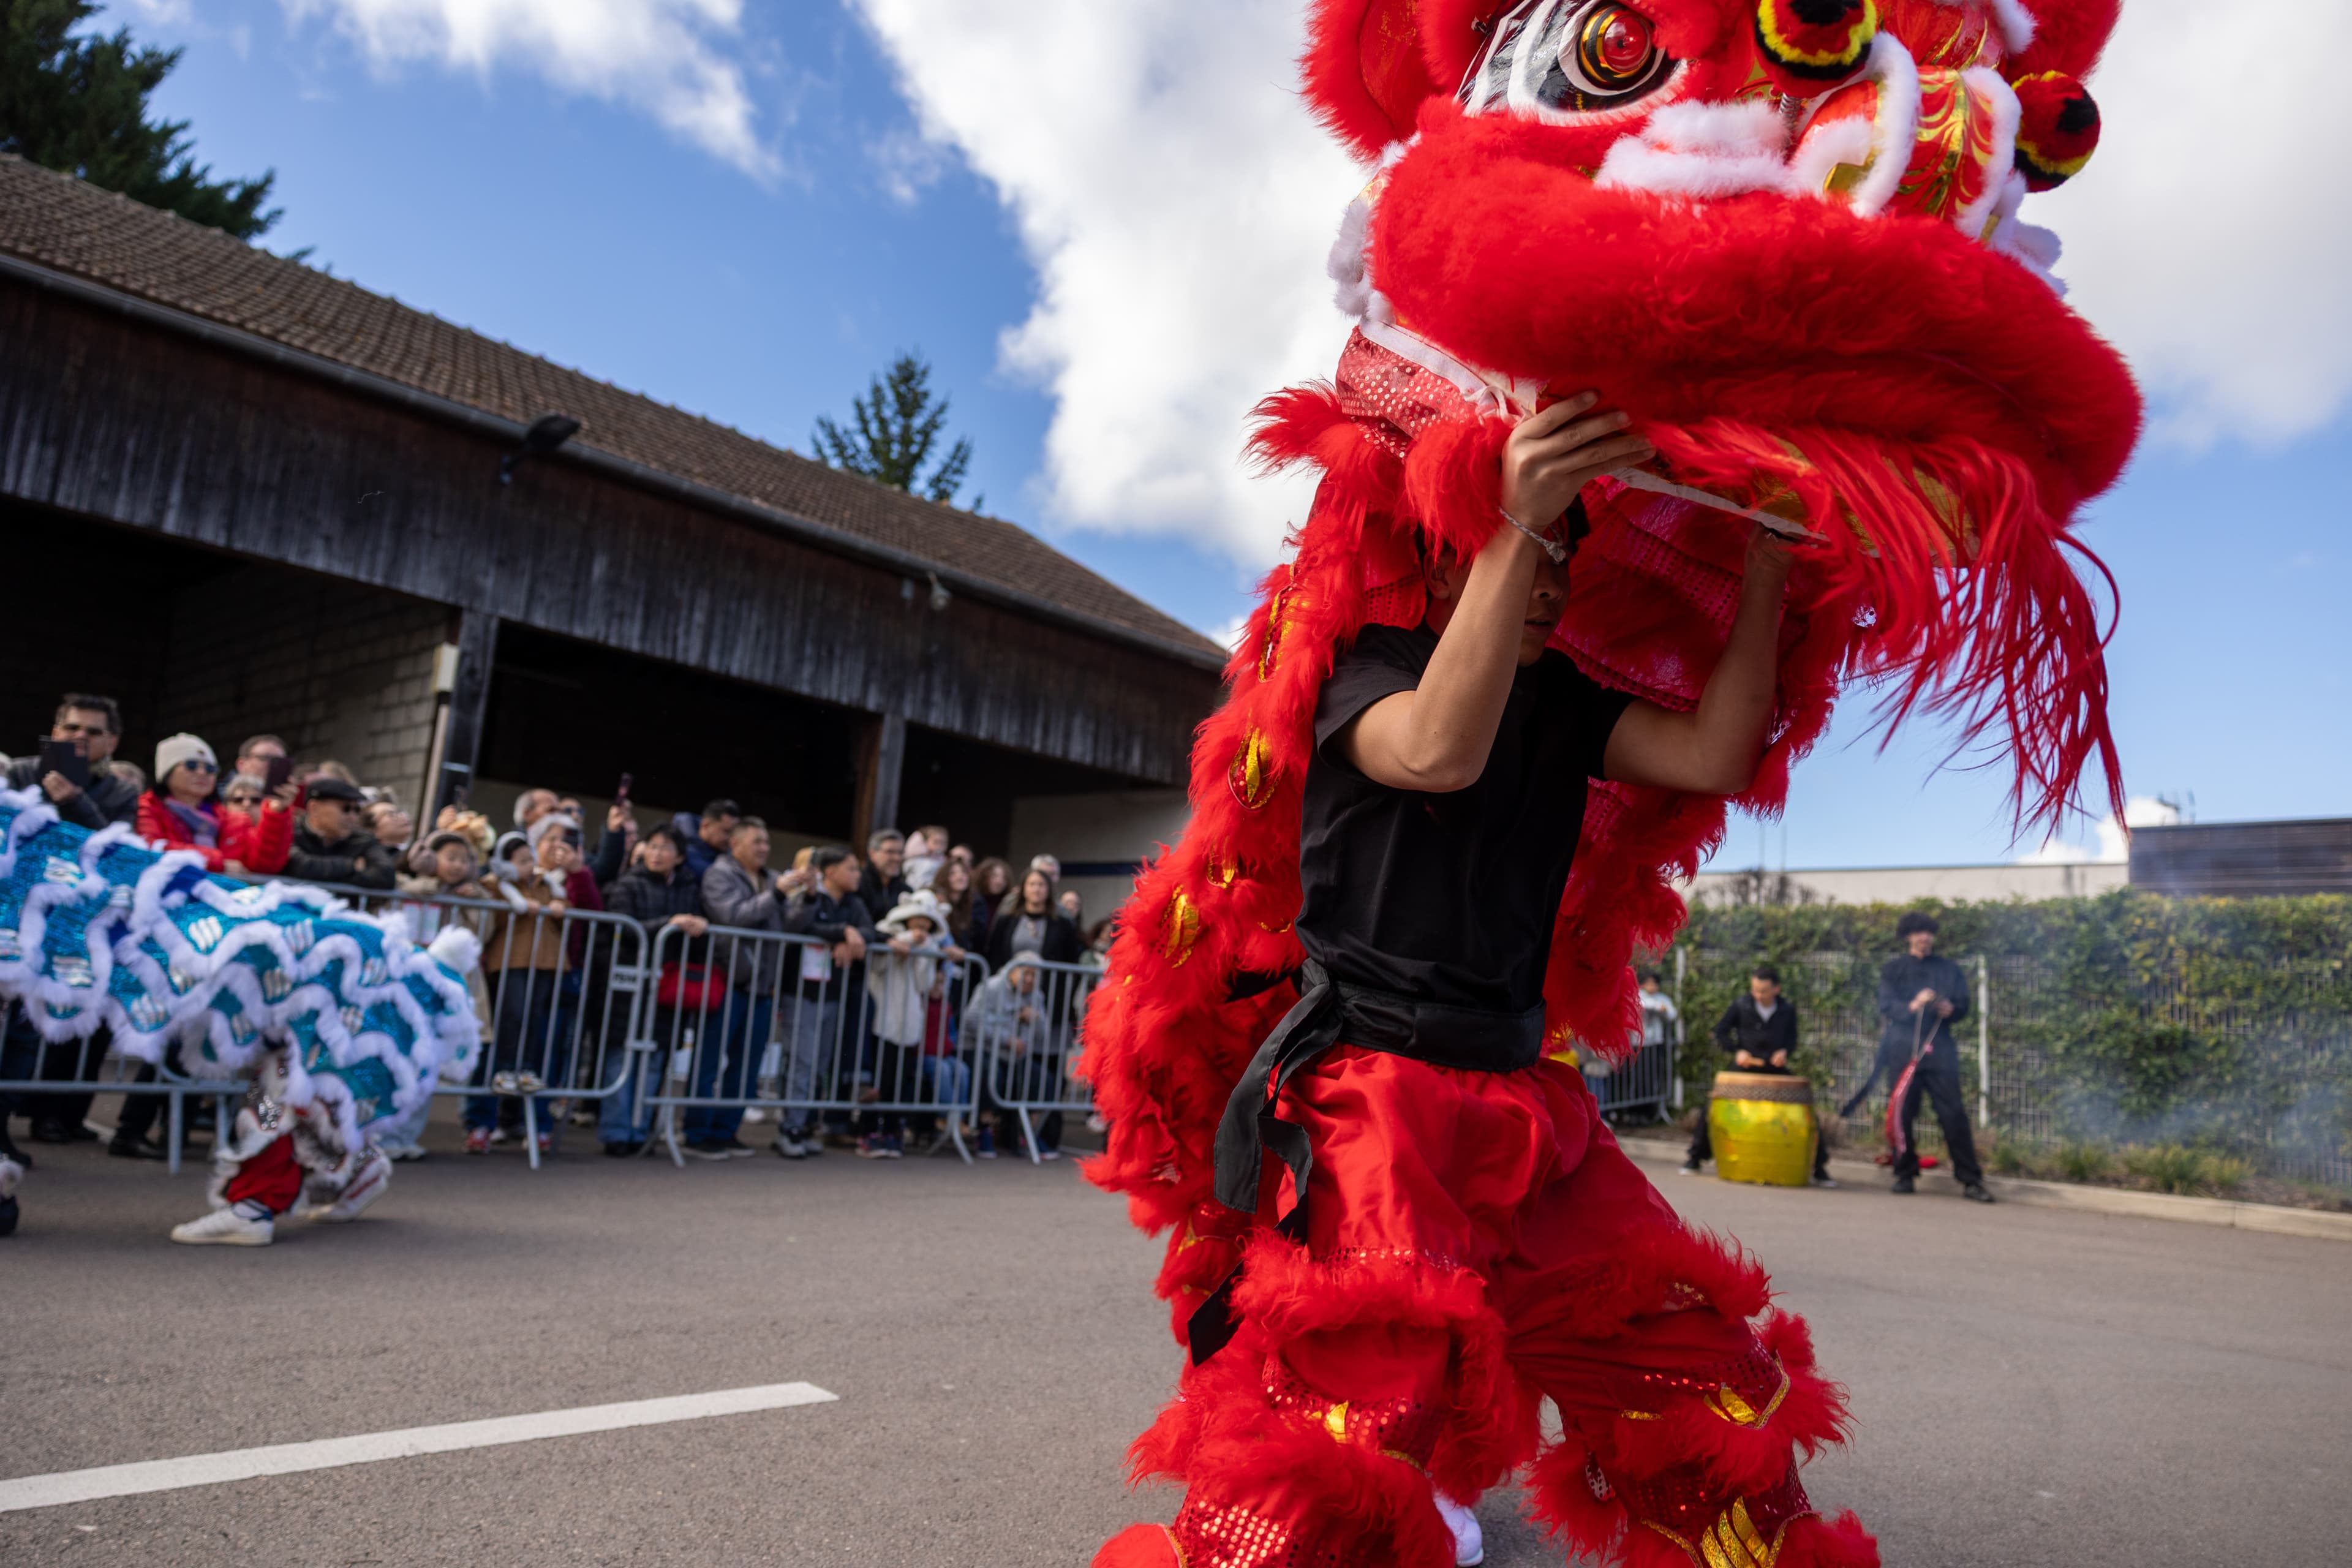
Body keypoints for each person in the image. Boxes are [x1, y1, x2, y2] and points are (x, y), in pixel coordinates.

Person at [1096, 398, 1877, 1567]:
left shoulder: (1560, 702)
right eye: (1529, 544)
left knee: (1690, 1351)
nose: (1556, 571)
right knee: (1361, 1423)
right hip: (1376, 1102)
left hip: (1526, 1097)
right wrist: (1517, 517)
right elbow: (1437, 754)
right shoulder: (1363, 672)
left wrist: (1766, 568)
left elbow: (1716, 752)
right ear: (1447, 548)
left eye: (1566, 549)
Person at [596, 824, 709, 1156]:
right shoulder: (627, 884)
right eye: (653, 846)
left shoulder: (690, 890)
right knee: (621, 1056)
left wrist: (699, 927)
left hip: (667, 985)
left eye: (665, 848)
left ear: (680, 857)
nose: (657, 853)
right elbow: (623, 927)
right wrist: (669, 924)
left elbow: (698, 929)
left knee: (657, 1058)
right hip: (628, 984)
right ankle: (617, 1132)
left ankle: (641, 1130)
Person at [690, 817, 797, 1158]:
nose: (765, 848)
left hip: (763, 986)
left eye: (767, 842)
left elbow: (790, 925)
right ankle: (697, 1132)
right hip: (729, 981)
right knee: (709, 1060)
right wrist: (777, 894)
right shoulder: (720, 874)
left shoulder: (771, 878)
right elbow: (733, 916)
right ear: (735, 845)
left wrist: (805, 899)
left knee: (748, 1064)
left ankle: (726, 1130)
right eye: (757, 842)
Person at [467, 830, 573, 1156]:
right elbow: (487, 922)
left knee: (540, 1035)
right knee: (505, 1027)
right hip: (508, 963)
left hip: (548, 966)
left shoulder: (548, 885)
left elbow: (573, 914)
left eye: (531, 859)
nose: (529, 866)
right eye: (521, 861)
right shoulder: (493, 886)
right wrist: (511, 903)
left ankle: (538, 1124)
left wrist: (558, 906)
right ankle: (481, 1121)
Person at [1681, 965, 1833, 1187]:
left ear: (1776, 990)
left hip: (1774, 1068)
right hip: (1745, 1068)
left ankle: (1819, 1168)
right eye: (1755, 990)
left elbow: (1792, 1039)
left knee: (1806, 1110)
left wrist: (1785, 1052)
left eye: (1763, 991)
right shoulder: (1741, 1005)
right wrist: (1737, 1051)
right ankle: (1694, 1158)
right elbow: (1721, 1031)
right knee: (1711, 1108)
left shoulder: (1787, 1010)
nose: (1758, 995)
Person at [1875, 913, 1992, 1203]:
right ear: (1908, 937)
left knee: (1953, 1115)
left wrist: (1952, 1009)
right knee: (1903, 1115)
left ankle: (1971, 1180)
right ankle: (1904, 1174)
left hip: (1940, 1051)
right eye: (1918, 932)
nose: (1924, 937)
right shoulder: (1893, 969)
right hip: (1903, 1050)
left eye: (1928, 932)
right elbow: (1887, 1006)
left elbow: (1964, 1006)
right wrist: (1914, 1005)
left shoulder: (1949, 969)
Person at [772, 845, 873, 1159]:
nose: (858, 875)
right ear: (831, 872)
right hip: (801, 993)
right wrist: (841, 933)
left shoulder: (854, 903)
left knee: (819, 1064)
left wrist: (853, 934)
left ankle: (804, 1126)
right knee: (801, 1060)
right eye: (852, 869)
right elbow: (800, 926)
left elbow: (873, 932)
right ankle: (790, 1127)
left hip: (833, 994)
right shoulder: (809, 896)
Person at [861, 889, 960, 1158]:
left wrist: (921, 954)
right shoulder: (886, 932)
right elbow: (876, 967)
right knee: (879, 1079)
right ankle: (869, 1132)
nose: (921, 926)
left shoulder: (929, 945)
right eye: (918, 919)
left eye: (927, 921)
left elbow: (924, 984)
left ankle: (893, 1132)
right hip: (882, 1017)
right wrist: (901, 945)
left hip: (909, 1020)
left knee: (899, 1079)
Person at [134, 733, 295, 876]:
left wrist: (276, 812)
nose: (202, 773)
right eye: (192, 765)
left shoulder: (230, 819)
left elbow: (264, 866)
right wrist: (218, 863)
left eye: (210, 769)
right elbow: (149, 849)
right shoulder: (147, 808)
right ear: (167, 772)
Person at [6, 693, 139, 831]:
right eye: (72, 728)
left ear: (112, 743)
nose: (81, 736)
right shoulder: (20, 771)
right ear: (55, 733)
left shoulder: (123, 794)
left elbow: (118, 848)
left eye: (94, 732)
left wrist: (76, 803)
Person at [963, 956, 1054, 1159]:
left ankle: (1027, 1133)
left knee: (1043, 1081)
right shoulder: (992, 987)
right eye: (1026, 972)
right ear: (1012, 970)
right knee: (990, 1073)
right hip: (983, 1050)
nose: (1030, 979)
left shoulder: (1036, 996)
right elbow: (972, 1020)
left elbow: (1044, 1034)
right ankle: (985, 1130)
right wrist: (1006, 1040)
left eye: (1034, 975)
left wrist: (1035, 1020)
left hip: (1016, 1058)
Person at [283, 777, 398, 889]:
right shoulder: (290, 831)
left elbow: (385, 876)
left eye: (357, 810)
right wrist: (351, 866)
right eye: (346, 809)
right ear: (314, 808)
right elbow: (296, 866)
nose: (353, 817)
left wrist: (320, 873)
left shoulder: (363, 839)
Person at [984, 867, 1083, 970]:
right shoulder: (1006, 921)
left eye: (1041, 885)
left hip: (1048, 984)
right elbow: (994, 954)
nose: (1036, 889)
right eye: (1032, 884)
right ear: (1023, 890)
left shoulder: (1063, 925)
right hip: (1008, 982)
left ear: (1049, 890)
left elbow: (1071, 960)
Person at [673, 798, 740, 880]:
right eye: (726, 832)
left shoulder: (731, 856)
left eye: (733, 833)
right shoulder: (678, 850)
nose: (730, 838)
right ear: (706, 825)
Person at [858, 829, 911, 930]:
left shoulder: (906, 890)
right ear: (872, 854)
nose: (897, 858)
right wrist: (886, 939)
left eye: (900, 853)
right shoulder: (857, 884)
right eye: (890, 852)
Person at [966, 857, 1012, 952]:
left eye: (1003, 878)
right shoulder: (972, 900)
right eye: (994, 876)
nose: (999, 881)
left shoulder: (1008, 904)